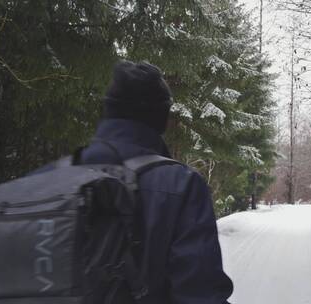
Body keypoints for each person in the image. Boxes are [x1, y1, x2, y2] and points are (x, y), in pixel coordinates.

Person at [80, 60, 233, 303]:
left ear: (108, 111)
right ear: (161, 117)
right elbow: (200, 293)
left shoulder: (45, 182)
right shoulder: (180, 186)